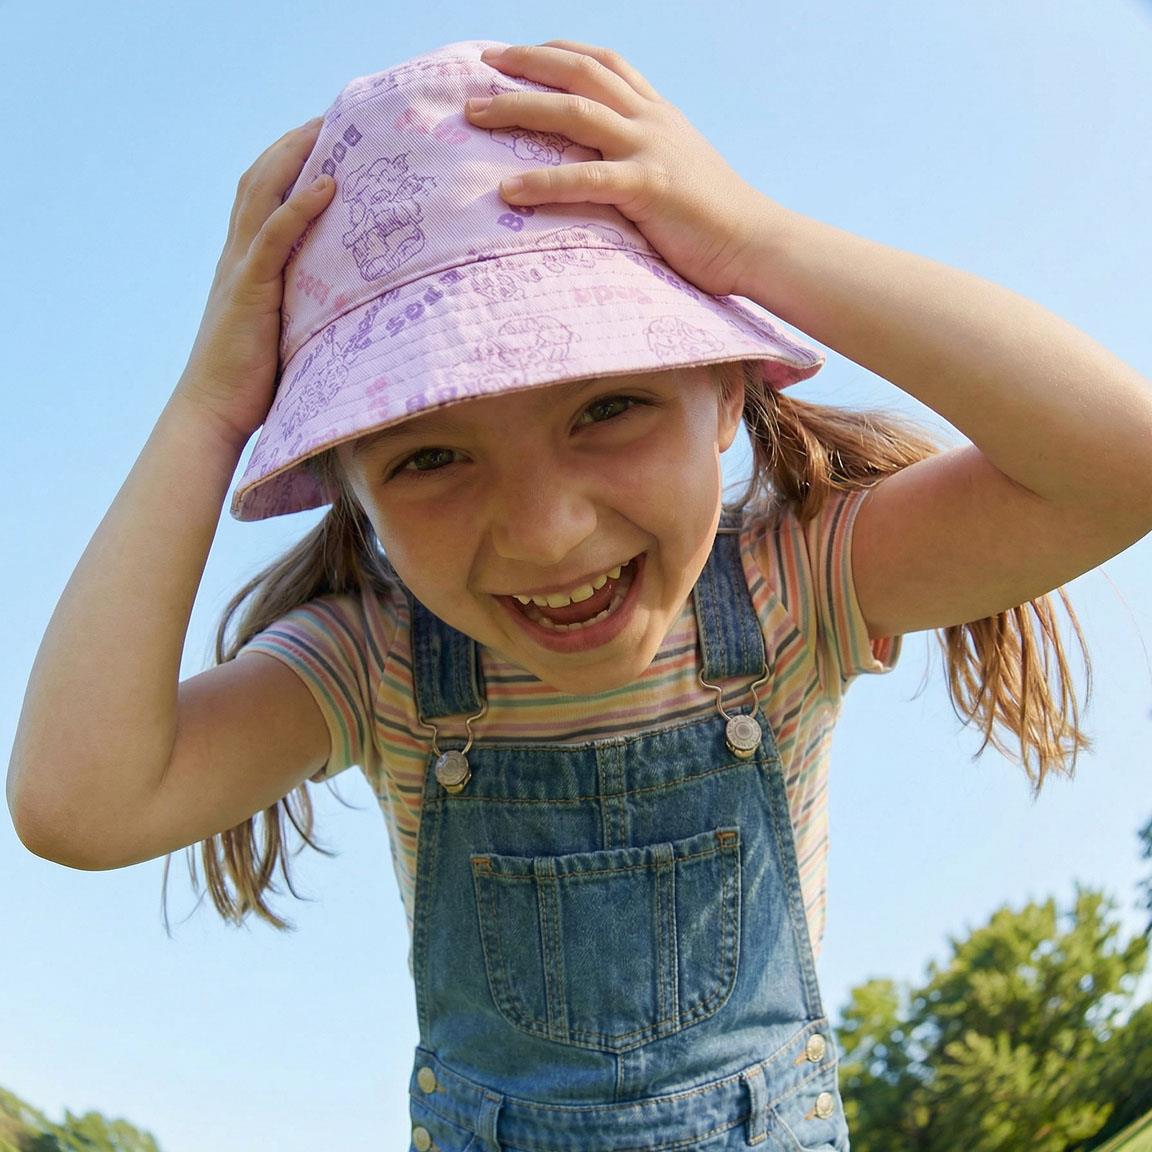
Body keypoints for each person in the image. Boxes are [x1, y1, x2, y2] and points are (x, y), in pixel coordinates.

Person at [8, 37, 1152, 1152]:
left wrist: (757, 242)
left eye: (608, 407)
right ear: (353, 499)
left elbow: (1122, 466)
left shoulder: (796, 585)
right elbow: (79, 803)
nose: (548, 530)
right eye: (429, 458)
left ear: (723, 397)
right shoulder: (376, 669)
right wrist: (211, 408)